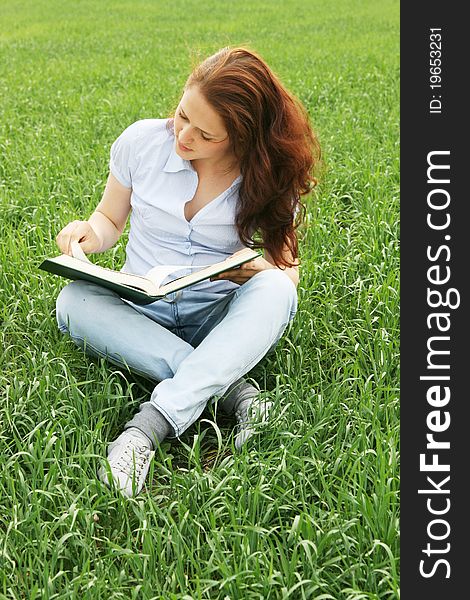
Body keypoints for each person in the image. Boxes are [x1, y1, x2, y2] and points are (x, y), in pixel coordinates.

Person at [55, 46, 320, 497]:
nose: (184, 136)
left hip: (217, 312)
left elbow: (287, 269)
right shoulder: (140, 142)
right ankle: (235, 392)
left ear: (243, 138)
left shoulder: (269, 174)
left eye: (206, 134)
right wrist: (87, 233)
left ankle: (145, 431)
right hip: (141, 306)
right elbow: (110, 220)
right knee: (73, 301)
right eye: (182, 116)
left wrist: (252, 270)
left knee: (275, 289)